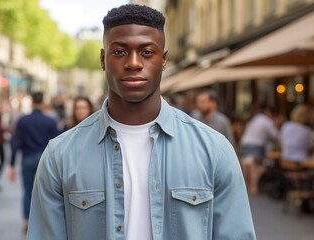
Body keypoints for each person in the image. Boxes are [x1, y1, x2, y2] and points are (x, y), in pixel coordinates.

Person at [27, 4, 256, 240]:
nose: (134, 63)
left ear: (164, 60)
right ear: (103, 59)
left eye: (147, 52)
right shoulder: (60, 155)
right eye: (119, 52)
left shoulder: (214, 151)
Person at [8, 91, 59, 232]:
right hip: (44, 159)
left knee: (27, 189)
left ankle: (27, 220)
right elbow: (58, 142)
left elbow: (15, 143)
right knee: (46, 191)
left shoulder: (23, 121)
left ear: (31, 101)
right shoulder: (49, 121)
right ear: (43, 102)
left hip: (27, 158)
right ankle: (43, 221)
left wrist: (12, 164)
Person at [240, 104, 279, 195]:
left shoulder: (255, 118)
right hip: (256, 145)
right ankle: (253, 187)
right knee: (254, 166)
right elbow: (275, 135)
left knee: (246, 163)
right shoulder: (267, 121)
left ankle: (245, 186)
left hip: (245, 142)